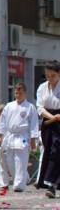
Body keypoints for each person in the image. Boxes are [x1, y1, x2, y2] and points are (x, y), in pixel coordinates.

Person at [0, 83, 38, 193]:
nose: (18, 95)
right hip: (10, 135)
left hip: (23, 136)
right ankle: (23, 178)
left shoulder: (30, 107)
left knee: (21, 160)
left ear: (25, 93)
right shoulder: (9, 106)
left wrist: (33, 139)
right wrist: (0, 136)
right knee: (9, 161)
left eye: (20, 93)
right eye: (16, 93)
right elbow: (2, 122)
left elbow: (34, 124)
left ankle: (19, 185)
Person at [35, 60, 60, 198]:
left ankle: (51, 185)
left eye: (53, 76)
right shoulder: (42, 87)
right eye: (47, 76)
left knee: (56, 151)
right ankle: (48, 181)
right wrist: (52, 117)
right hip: (48, 121)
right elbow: (40, 107)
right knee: (48, 149)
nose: (50, 79)